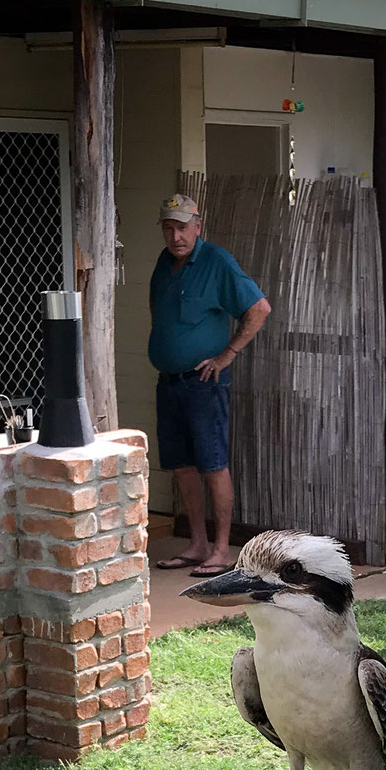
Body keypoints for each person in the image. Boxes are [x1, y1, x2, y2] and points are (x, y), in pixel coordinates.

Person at [148, 194, 271, 577]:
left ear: (198, 226)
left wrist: (227, 354)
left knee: (213, 464)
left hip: (204, 382)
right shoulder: (163, 263)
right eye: (169, 227)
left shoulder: (216, 261)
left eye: (183, 227)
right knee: (183, 467)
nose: (176, 235)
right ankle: (198, 543)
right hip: (169, 381)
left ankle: (221, 549)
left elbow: (259, 309)